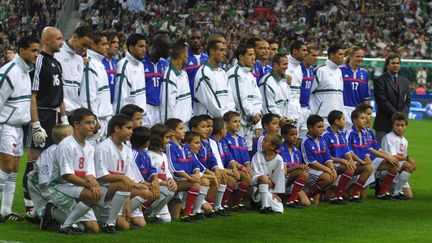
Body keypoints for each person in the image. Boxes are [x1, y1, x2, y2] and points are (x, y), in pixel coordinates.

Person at [24, 27, 68, 218]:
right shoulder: (40, 62)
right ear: (47, 41)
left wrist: (64, 118)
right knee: (35, 160)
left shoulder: (57, 63)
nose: (61, 42)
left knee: (50, 160)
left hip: (55, 117)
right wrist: (35, 125)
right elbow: (32, 96)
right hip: (42, 115)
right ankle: (29, 206)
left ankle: (45, 203)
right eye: (58, 38)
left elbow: (60, 95)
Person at [0, 36, 39, 223]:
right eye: (33, 50)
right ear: (21, 51)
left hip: (18, 127)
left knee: (14, 169)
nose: (36, 54)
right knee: (6, 167)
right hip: (5, 125)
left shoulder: (26, 71)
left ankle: (5, 211)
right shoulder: (9, 71)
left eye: (38, 51)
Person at [43, 108, 101, 234]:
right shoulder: (66, 145)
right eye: (88, 123)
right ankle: (65, 225)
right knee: (91, 195)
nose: (92, 126)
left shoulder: (90, 147)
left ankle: (53, 212)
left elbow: (89, 173)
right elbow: (67, 175)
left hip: (76, 188)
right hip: (59, 187)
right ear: (76, 124)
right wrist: (88, 185)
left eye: (93, 122)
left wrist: (94, 184)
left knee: (93, 229)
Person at [347, 109, 398, 200]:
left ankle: (382, 192)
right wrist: (386, 156)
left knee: (394, 164)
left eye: (369, 115)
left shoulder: (367, 132)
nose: (368, 118)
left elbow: (374, 148)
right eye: (366, 115)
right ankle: (349, 192)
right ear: (355, 119)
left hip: (368, 161)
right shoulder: (350, 132)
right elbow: (349, 151)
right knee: (362, 196)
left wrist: (389, 157)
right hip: (358, 162)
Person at [323, 110, 373, 203]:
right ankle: (337, 196)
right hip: (331, 165)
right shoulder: (325, 135)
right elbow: (325, 156)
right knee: (348, 168)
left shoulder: (341, 134)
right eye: (343, 119)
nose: (345, 121)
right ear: (337, 121)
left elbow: (347, 151)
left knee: (369, 168)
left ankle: (355, 193)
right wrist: (343, 161)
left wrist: (350, 160)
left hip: (343, 164)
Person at [164, 119, 208, 222]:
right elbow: (174, 168)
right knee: (196, 184)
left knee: (204, 181)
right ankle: (187, 214)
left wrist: (196, 173)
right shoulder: (170, 147)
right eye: (181, 128)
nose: (184, 131)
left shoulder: (185, 147)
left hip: (186, 180)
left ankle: (194, 211)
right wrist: (190, 178)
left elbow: (195, 163)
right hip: (175, 181)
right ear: (172, 132)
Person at [27, 124, 73, 221]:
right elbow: (45, 180)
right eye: (72, 135)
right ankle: (41, 214)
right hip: (38, 184)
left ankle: (36, 213)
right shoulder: (50, 153)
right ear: (63, 138)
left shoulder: (68, 149)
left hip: (55, 184)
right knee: (51, 210)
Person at [227, 44, 262, 151]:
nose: (253, 58)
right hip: (239, 123)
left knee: (247, 153)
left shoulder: (250, 75)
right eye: (250, 55)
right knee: (237, 152)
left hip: (250, 122)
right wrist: (251, 115)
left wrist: (257, 115)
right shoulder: (235, 73)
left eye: (254, 55)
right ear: (241, 57)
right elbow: (239, 99)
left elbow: (257, 98)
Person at [80, 32, 113, 142]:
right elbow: (88, 96)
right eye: (104, 44)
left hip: (104, 119)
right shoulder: (90, 64)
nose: (107, 47)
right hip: (97, 121)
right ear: (93, 45)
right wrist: (92, 121)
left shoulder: (99, 64)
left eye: (107, 44)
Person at [54, 25, 94, 114]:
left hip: (75, 112)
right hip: (58, 112)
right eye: (83, 45)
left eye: (87, 47)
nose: (85, 49)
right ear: (75, 37)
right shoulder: (57, 53)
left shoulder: (80, 59)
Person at [373, 53, 410, 145]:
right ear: (387, 65)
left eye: (397, 63)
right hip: (384, 123)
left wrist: (402, 117)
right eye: (393, 63)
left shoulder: (405, 81)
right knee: (381, 155)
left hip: (399, 124)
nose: (396, 65)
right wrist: (397, 116)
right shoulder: (379, 80)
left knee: (396, 154)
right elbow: (382, 101)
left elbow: (407, 101)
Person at [193, 40, 235, 117]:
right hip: (209, 122)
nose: (225, 53)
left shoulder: (222, 72)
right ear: (212, 51)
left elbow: (230, 97)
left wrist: (230, 115)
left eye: (225, 50)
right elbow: (211, 103)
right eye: (221, 50)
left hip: (224, 121)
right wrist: (227, 118)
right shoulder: (204, 73)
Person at [300, 115, 336, 203]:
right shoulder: (306, 141)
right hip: (309, 169)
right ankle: (308, 196)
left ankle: (312, 195)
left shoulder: (322, 140)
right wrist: (327, 169)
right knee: (327, 177)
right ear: (310, 128)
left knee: (331, 175)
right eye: (319, 127)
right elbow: (311, 162)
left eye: (323, 126)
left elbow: (327, 157)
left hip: (320, 169)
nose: (322, 129)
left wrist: (332, 168)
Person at [145, 125, 177, 222]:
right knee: (167, 188)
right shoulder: (149, 154)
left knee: (167, 220)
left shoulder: (163, 154)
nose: (169, 140)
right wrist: (164, 183)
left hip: (164, 187)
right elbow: (148, 175)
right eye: (167, 137)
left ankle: (155, 212)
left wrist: (171, 180)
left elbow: (166, 172)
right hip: (152, 186)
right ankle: (147, 212)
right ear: (158, 138)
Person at [381, 112, 416, 199]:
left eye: (402, 125)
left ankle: (397, 190)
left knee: (409, 196)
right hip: (388, 169)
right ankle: (395, 191)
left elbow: (403, 160)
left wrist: (407, 161)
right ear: (393, 125)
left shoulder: (405, 141)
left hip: (399, 170)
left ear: (406, 126)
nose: (400, 128)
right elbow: (392, 157)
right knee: (409, 165)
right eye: (397, 125)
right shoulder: (388, 137)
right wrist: (408, 158)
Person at [310, 44, 345, 126]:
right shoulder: (320, 70)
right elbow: (309, 92)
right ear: (332, 55)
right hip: (322, 117)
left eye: (343, 54)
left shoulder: (339, 71)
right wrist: (313, 112)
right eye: (340, 54)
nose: (343, 57)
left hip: (337, 118)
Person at [113, 33, 147, 115]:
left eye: (145, 47)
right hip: (129, 119)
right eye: (141, 46)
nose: (144, 50)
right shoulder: (123, 66)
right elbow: (120, 98)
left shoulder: (141, 65)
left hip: (141, 117)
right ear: (131, 48)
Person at [159, 42, 192, 125]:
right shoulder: (170, 75)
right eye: (186, 54)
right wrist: (170, 128)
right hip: (176, 127)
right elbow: (167, 106)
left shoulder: (184, 73)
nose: (188, 56)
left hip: (186, 124)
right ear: (181, 56)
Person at [251, 133, 285, 214]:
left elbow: (279, 178)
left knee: (278, 207)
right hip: (256, 187)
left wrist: (275, 193)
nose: (262, 142)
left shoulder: (279, 160)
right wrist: (263, 179)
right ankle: (264, 206)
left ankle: (265, 205)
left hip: (270, 189)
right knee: (263, 178)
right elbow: (254, 174)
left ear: (273, 147)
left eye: (265, 141)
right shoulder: (257, 155)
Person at [142, 33, 171, 127]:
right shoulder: (141, 64)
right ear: (159, 48)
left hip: (159, 108)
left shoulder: (165, 64)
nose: (170, 51)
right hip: (145, 107)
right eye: (167, 48)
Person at [279, 124, 310, 208]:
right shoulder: (279, 150)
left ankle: (291, 198)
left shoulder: (297, 152)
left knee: (306, 203)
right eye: (292, 135)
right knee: (301, 172)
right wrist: (299, 167)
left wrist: (304, 168)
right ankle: (291, 200)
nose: (295, 137)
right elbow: (283, 172)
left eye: (296, 134)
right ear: (283, 136)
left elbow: (299, 171)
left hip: (293, 182)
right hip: (282, 180)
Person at [340, 46, 370, 129]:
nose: (360, 59)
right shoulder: (340, 70)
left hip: (358, 112)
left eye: (362, 56)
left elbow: (366, 97)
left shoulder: (364, 73)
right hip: (343, 109)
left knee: (357, 139)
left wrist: (367, 115)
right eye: (357, 56)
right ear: (350, 56)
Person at [259, 54, 292, 125]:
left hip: (284, 123)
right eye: (284, 64)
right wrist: (280, 118)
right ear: (276, 65)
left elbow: (288, 102)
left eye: (287, 64)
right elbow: (268, 107)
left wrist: (289, 118)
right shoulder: (266, 82)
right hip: (272, 124)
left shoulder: (285, 81)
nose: (286, 67)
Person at [286, 40, 308, 129]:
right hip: (287, 109)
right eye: (304, 50)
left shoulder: (299, 67)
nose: (306, 53)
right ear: (295, 51)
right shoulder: (284, 62)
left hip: (297, 108)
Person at [299, 45, 318, 139]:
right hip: (296, 108)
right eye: (313, 55)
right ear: (305, 55)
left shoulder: (312, 70)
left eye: (316, 56)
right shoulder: (298, 69)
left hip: (306, 108)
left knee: (301, 138)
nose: (316, 58)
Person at [183, 28, 208, 102]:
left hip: (205, 102)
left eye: (198, 38)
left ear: (202, 39)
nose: (196, 41)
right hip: (188, 102)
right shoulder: (183, 59)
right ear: (187, 40)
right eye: (192, 38)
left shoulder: (208, 59)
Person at [102, 32, 120, 103]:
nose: (117, 46)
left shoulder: (116, 63)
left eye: (118, 43)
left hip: (114, 107)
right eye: (113, 42)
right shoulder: (99, 63)